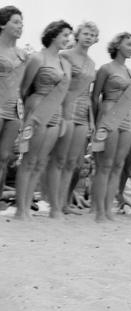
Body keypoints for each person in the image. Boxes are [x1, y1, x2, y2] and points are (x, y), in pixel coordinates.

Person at [15, 20, 73, 220]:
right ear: (53, 35)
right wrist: (28, 113)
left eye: (69, 36)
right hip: (37, 108)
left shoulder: (65, 63)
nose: (67, 39)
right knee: (29, 160)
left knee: (40, 162)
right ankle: (20, 209)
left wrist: (63, 117)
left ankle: (28, 204)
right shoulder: (37, 58)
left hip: (56, 112)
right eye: (64, 35)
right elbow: (24, 89)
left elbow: (65, 93)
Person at [46, 21, 98, 217]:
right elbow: (59, 83)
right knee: (59, 159)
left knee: (73, 162)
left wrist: (92, 121)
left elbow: (89, 93)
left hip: (83, 113)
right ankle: (54, 205)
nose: (88, 37)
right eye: (85, 33)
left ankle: (64, 203)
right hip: (66, 108)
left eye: (92, 35)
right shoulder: (65, 55)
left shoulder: (92, 63)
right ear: (78, 35)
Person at [90, 32, 131, 222]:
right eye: (129, 44)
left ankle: (109, 208)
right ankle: (99, 210)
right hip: (109, 114)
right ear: (117, 46)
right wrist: (95, 122)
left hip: (126, 119)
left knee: (118, 166)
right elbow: (95, 97)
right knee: (105, 165)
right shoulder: (106, 69)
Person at [0, 6, 28, 197]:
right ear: (3, 24)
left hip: (14, 111)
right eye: (16, 22)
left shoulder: (23, 55)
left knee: (4, 157)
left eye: (22, 23)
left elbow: (24, 86)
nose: (20, 26)